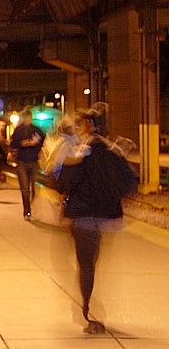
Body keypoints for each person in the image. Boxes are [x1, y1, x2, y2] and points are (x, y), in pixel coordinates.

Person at [60, 107, 139, 334]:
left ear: (88, 125)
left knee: (86, 265)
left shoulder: (80, 152)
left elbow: (65, 182)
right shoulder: (113, 152)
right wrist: (112, 195)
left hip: (84, 216)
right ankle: (91, 308)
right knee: (94, 262)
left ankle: (89, 312)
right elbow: (130, 181)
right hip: (107, 216)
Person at [9, 110, 45, 220]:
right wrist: (22, 143)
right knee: (25, 188)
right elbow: (13, 143)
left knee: (34, 188)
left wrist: (35, 145)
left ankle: (32, 206)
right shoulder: (18, 130)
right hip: (22, 161)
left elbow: (42, 139)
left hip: (33, 160)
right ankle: (27, 210)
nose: (28, 120)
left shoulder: (36, 130)